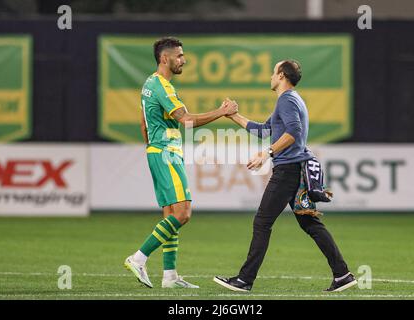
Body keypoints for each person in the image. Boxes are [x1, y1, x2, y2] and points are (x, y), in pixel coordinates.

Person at [213, 60, 357, 292]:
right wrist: (233, 116)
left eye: (273, 72)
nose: (271, 76)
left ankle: (244, 280)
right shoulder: (290, 100)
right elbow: (264, 131)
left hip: (289, 170)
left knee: (262, 222)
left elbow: (294, 131)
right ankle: (342, 274)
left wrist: (267, 153)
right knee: (310, 223)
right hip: (297, 169)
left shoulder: (287, 100)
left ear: (281, 75)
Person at [124, 37, 238, 289]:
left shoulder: (149, 84)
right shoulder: (162, 86)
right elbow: (185, 120)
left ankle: (170, 276)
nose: (183, 60)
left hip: (159, 151)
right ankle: (138, 258)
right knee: (183, 213)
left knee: (171, 214)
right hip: (166, 153)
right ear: (165, 58)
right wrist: (221, 111)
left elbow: (143, 123)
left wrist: (153, 148)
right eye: (179, 56)